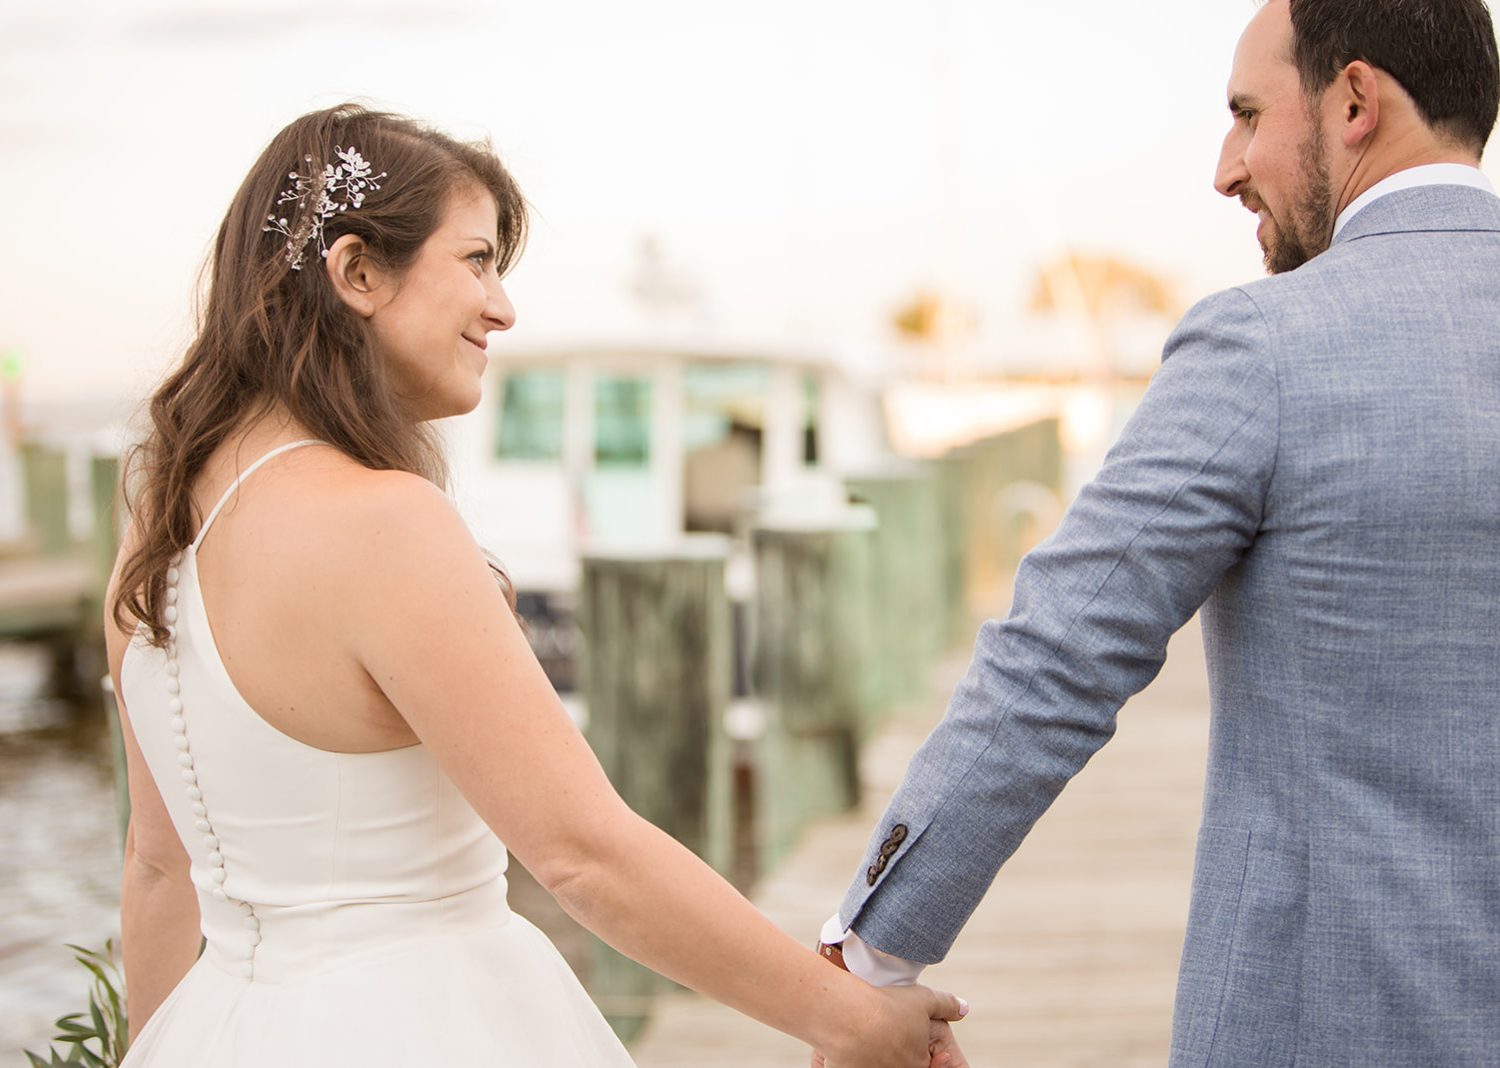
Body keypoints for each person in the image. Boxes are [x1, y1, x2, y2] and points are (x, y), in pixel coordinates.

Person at [106, 103, 967, 1067]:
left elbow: (156, 866)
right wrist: (848, 1017)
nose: (503, 307)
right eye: (475, 261)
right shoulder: (385, 522)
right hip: (420, 1026)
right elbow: (583, 855)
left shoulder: (162, 520)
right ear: (356, 273)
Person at [816, 0, 1500, 1064]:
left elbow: (1056, 660)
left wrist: (865, 967)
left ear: (1355, 101)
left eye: (1246, 114)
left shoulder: (1268, 347)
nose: (1225, 170)